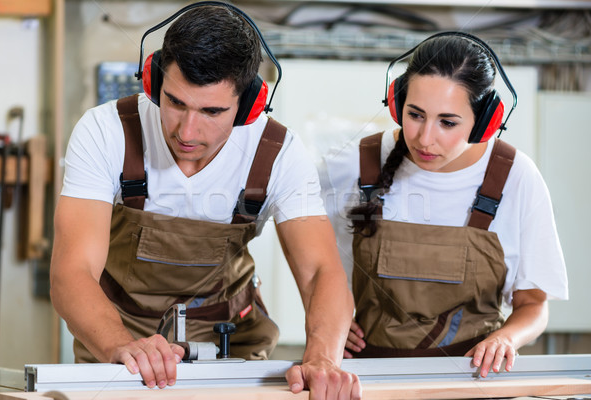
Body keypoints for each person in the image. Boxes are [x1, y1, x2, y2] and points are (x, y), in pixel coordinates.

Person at [50, 3, 361, 398]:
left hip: (233, 346)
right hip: (120, 343)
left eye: (212, 111)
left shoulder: (278, 153)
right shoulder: (106, 131)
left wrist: (323, 358)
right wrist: (118, 344)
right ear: (153, 79)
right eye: (175, 102)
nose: (187, 131)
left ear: (248, 105)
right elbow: (71, 271)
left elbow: (320, 271)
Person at [318, 32, 568, 378]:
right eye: (415, 115)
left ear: (485, 122)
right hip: (368, 379)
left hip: (470, 382)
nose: (424, 138)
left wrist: (506, 339)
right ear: (396, 103)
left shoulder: (515, 177)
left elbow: (534, 304)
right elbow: (316, 268)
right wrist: (324, 330)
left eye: (447, 122)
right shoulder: (352, 164)